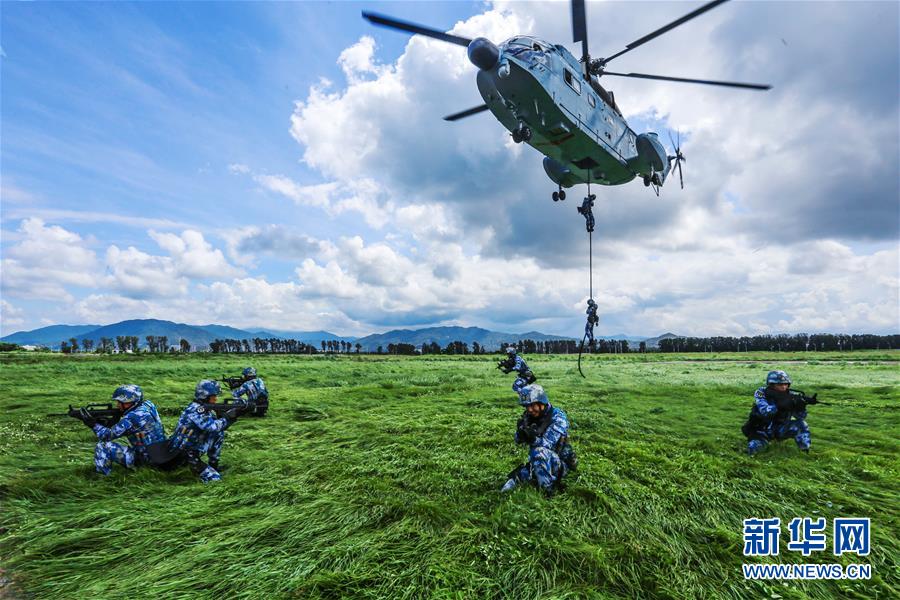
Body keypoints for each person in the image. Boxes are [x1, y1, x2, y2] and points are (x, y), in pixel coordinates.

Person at [501, 384, 576, 494]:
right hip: (539, 461)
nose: (530, 409)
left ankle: (548, 491)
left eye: (532, 405)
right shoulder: (529, 416)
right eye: (527, 406)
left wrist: (532, 439)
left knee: (539, 452)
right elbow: (517, 441)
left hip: (560, 463)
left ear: (542, 403)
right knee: (512, 482)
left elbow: (546, 445)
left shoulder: (558, 418)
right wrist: (521, 433)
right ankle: (535, 475)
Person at [80, 384, 169, 475]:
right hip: (161, 453)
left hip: (147, 460)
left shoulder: (132, 418)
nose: (118, 405)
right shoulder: (148, 405)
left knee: (103, 445)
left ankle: (102, 477)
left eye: (121, 402)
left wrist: (93, 425)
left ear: (131, 401)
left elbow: (106, 435)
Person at [168, 380, 242, 482]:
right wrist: (228, 417)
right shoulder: (195, 410)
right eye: (213, 396)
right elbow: (212, 427)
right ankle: (192, 468)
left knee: (218, 434)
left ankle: (213, 465)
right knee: (215, 479)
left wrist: (227, 417)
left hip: (193, 447)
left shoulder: (204, 409)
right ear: (204, 396)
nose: (216, 399)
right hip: (183, 453)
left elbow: (218, 428)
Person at [742, 370, 820, 455]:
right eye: (780, 384)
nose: (783, 387)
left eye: (785, 384)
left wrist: (801, 406)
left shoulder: (792, 396)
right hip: (761, 430)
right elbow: (765, 412)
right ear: (771, 384)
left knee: (801, 425)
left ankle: (805, 452)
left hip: (781, 428)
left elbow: (800, 417)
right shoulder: (762, 392)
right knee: (754, 450)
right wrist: (781, 405)